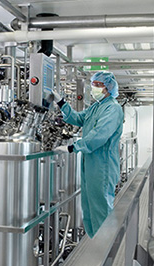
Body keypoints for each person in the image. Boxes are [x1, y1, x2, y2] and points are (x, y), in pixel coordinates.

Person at [53, 71, 123, 238]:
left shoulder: (113, 109)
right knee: (89, 209)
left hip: (103, 167)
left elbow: (100, 134)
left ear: (108, 88)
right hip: (90, 165)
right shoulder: (96, 107)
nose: (94, 88)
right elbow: (77, 118)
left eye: (98, 85)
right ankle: (94, 243)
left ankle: (106, 249)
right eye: (93, 84)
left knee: (101, 209)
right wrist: (61, 103)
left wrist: (73, 147)